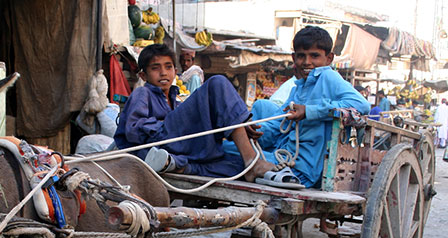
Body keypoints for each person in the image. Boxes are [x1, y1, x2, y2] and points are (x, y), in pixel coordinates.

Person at [114, 43, 280, 182]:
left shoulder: (175, 100)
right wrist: (181, 124)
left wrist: (237, 124)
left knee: (236, 166)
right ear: (143, 74)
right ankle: (252, 160)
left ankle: (180, 165)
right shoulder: (143, 93)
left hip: (176, 149)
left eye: (168, 67)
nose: (163, 73)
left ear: (174, 71)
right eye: (155, 68)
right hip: (155, 144)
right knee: (217, 83)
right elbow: (134, 130)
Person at [249, 26, 370, 188]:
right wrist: (253, 130)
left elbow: (361, 104)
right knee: (231, 144)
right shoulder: (297, 89)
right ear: (294, 58)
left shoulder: (328, 76)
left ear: (329, 59)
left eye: (314, 56)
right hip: (284, 158)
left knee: (229, 154)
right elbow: (278, 121)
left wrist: (309, 111)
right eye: (301, 56)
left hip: (301, 170)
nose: (307, 62)